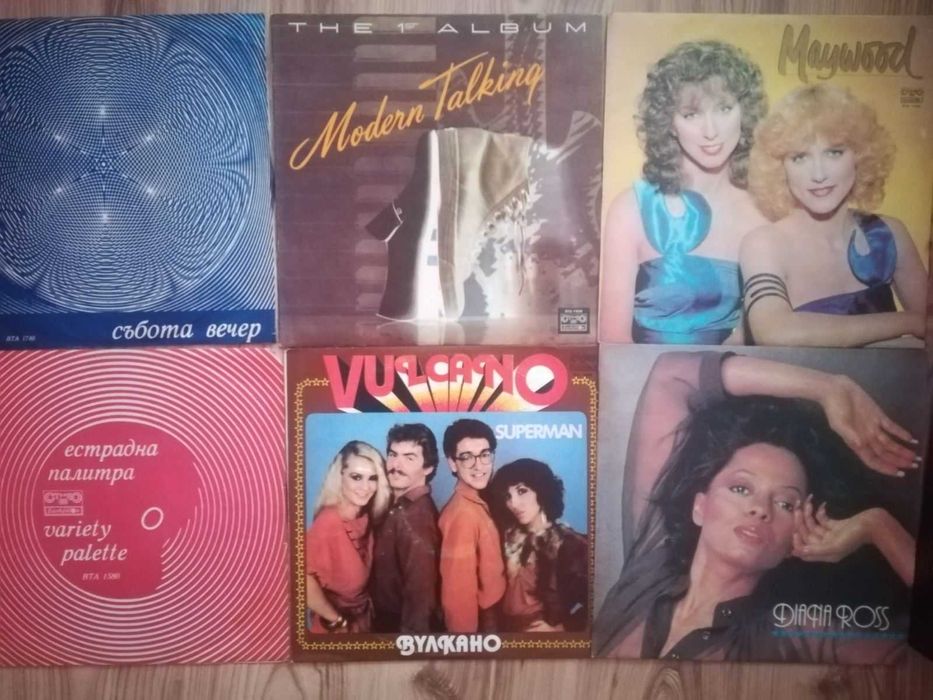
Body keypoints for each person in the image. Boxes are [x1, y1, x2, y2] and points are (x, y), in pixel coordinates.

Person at [594, 352, 918, 662]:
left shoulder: (799, 635)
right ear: (700, 506)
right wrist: (828, 388)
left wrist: (879, 527)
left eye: (785, 503)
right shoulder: (649, 569)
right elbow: (672, 375)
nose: (760, 509)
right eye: (741, 488)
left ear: (798, 540)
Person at [599, 41, 769, 344]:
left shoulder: (766, 213)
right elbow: (613, 344)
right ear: (669, 123)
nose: (711, 131)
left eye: (724, 109)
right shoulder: (632, 209)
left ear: (745, 112)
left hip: (738, 371)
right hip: (639, 372)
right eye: (691, 114)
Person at [742, 84, 926, 347]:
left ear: (860, 155)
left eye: (834, 152)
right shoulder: (764, 244)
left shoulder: (889, 235)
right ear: (780, 167)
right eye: (800, 157)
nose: (818, 174)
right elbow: (774, 332)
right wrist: (908, 322)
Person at [488, 459, 588, 632]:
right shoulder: (505, 537)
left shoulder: (570, 545)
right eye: (507, 496)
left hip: (539, 634)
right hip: (504, 633)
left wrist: (562, 628)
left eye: (522, 491)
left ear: (542, 491)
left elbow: (600, 600)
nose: (514, 504)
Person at [305, 441, 390, 634]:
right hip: (336, 633)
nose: (365, 487)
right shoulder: (329, 523)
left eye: (372, 478)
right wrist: (336, 620)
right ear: (340, 476)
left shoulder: (365, 517)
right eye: (356, 477)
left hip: (364, 623)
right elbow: (299, 579)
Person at [370, 423, 442, 633]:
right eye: (393, 455)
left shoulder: (416, 516)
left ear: (428, 468)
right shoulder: (398, 507)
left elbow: (421, 598)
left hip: (398, 629)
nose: (396, 465)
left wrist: (409, 645)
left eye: (409, 458)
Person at [438, 418, 507, 632]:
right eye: (467, 457)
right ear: (452, 463)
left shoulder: (480, 500)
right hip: (484, 622)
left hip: (497, 614)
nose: (479, 466)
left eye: (484, 455)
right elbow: (457, 595)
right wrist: (465, 642)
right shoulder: (462, 514)